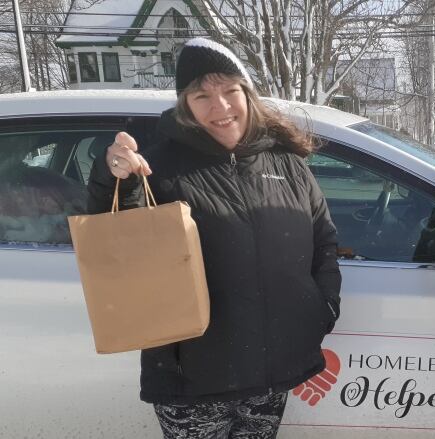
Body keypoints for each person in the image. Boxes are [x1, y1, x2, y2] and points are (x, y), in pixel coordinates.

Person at [86, 38, 341, 439]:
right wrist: (112, 178)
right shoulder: (160, 167)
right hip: (193, 378)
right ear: (186, 103)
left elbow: (323, 242)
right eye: (202, 95)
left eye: (229, 91)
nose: (219, 107)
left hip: (272, 373)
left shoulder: (287, 164)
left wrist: (323, 306)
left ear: (247, 94)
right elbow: (119, 242)